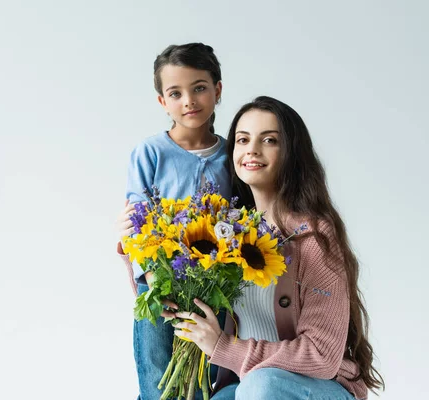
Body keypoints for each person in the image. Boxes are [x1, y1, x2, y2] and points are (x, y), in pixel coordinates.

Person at [117, 96, 384, 399]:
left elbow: (321, 356)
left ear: (291, 153)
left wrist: (224, 348)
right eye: (242, 140)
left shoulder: (315, 238)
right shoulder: (227, 232)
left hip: (316, 389)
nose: (252, 150)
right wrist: (138, 251)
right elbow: (171, 300)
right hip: (244, 388)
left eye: (269, 140)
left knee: (261, 385)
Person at [121, 43, 231, 400]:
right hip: (160, 286)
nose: (189, 100)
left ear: (217, 90)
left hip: (211, 290)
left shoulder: (233, 155)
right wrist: (154, 280)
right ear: (162, 102)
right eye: (175, 93)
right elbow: (135, 227)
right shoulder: (149, 153)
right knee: (157, 376)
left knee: (201, 376)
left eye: (199, 87)